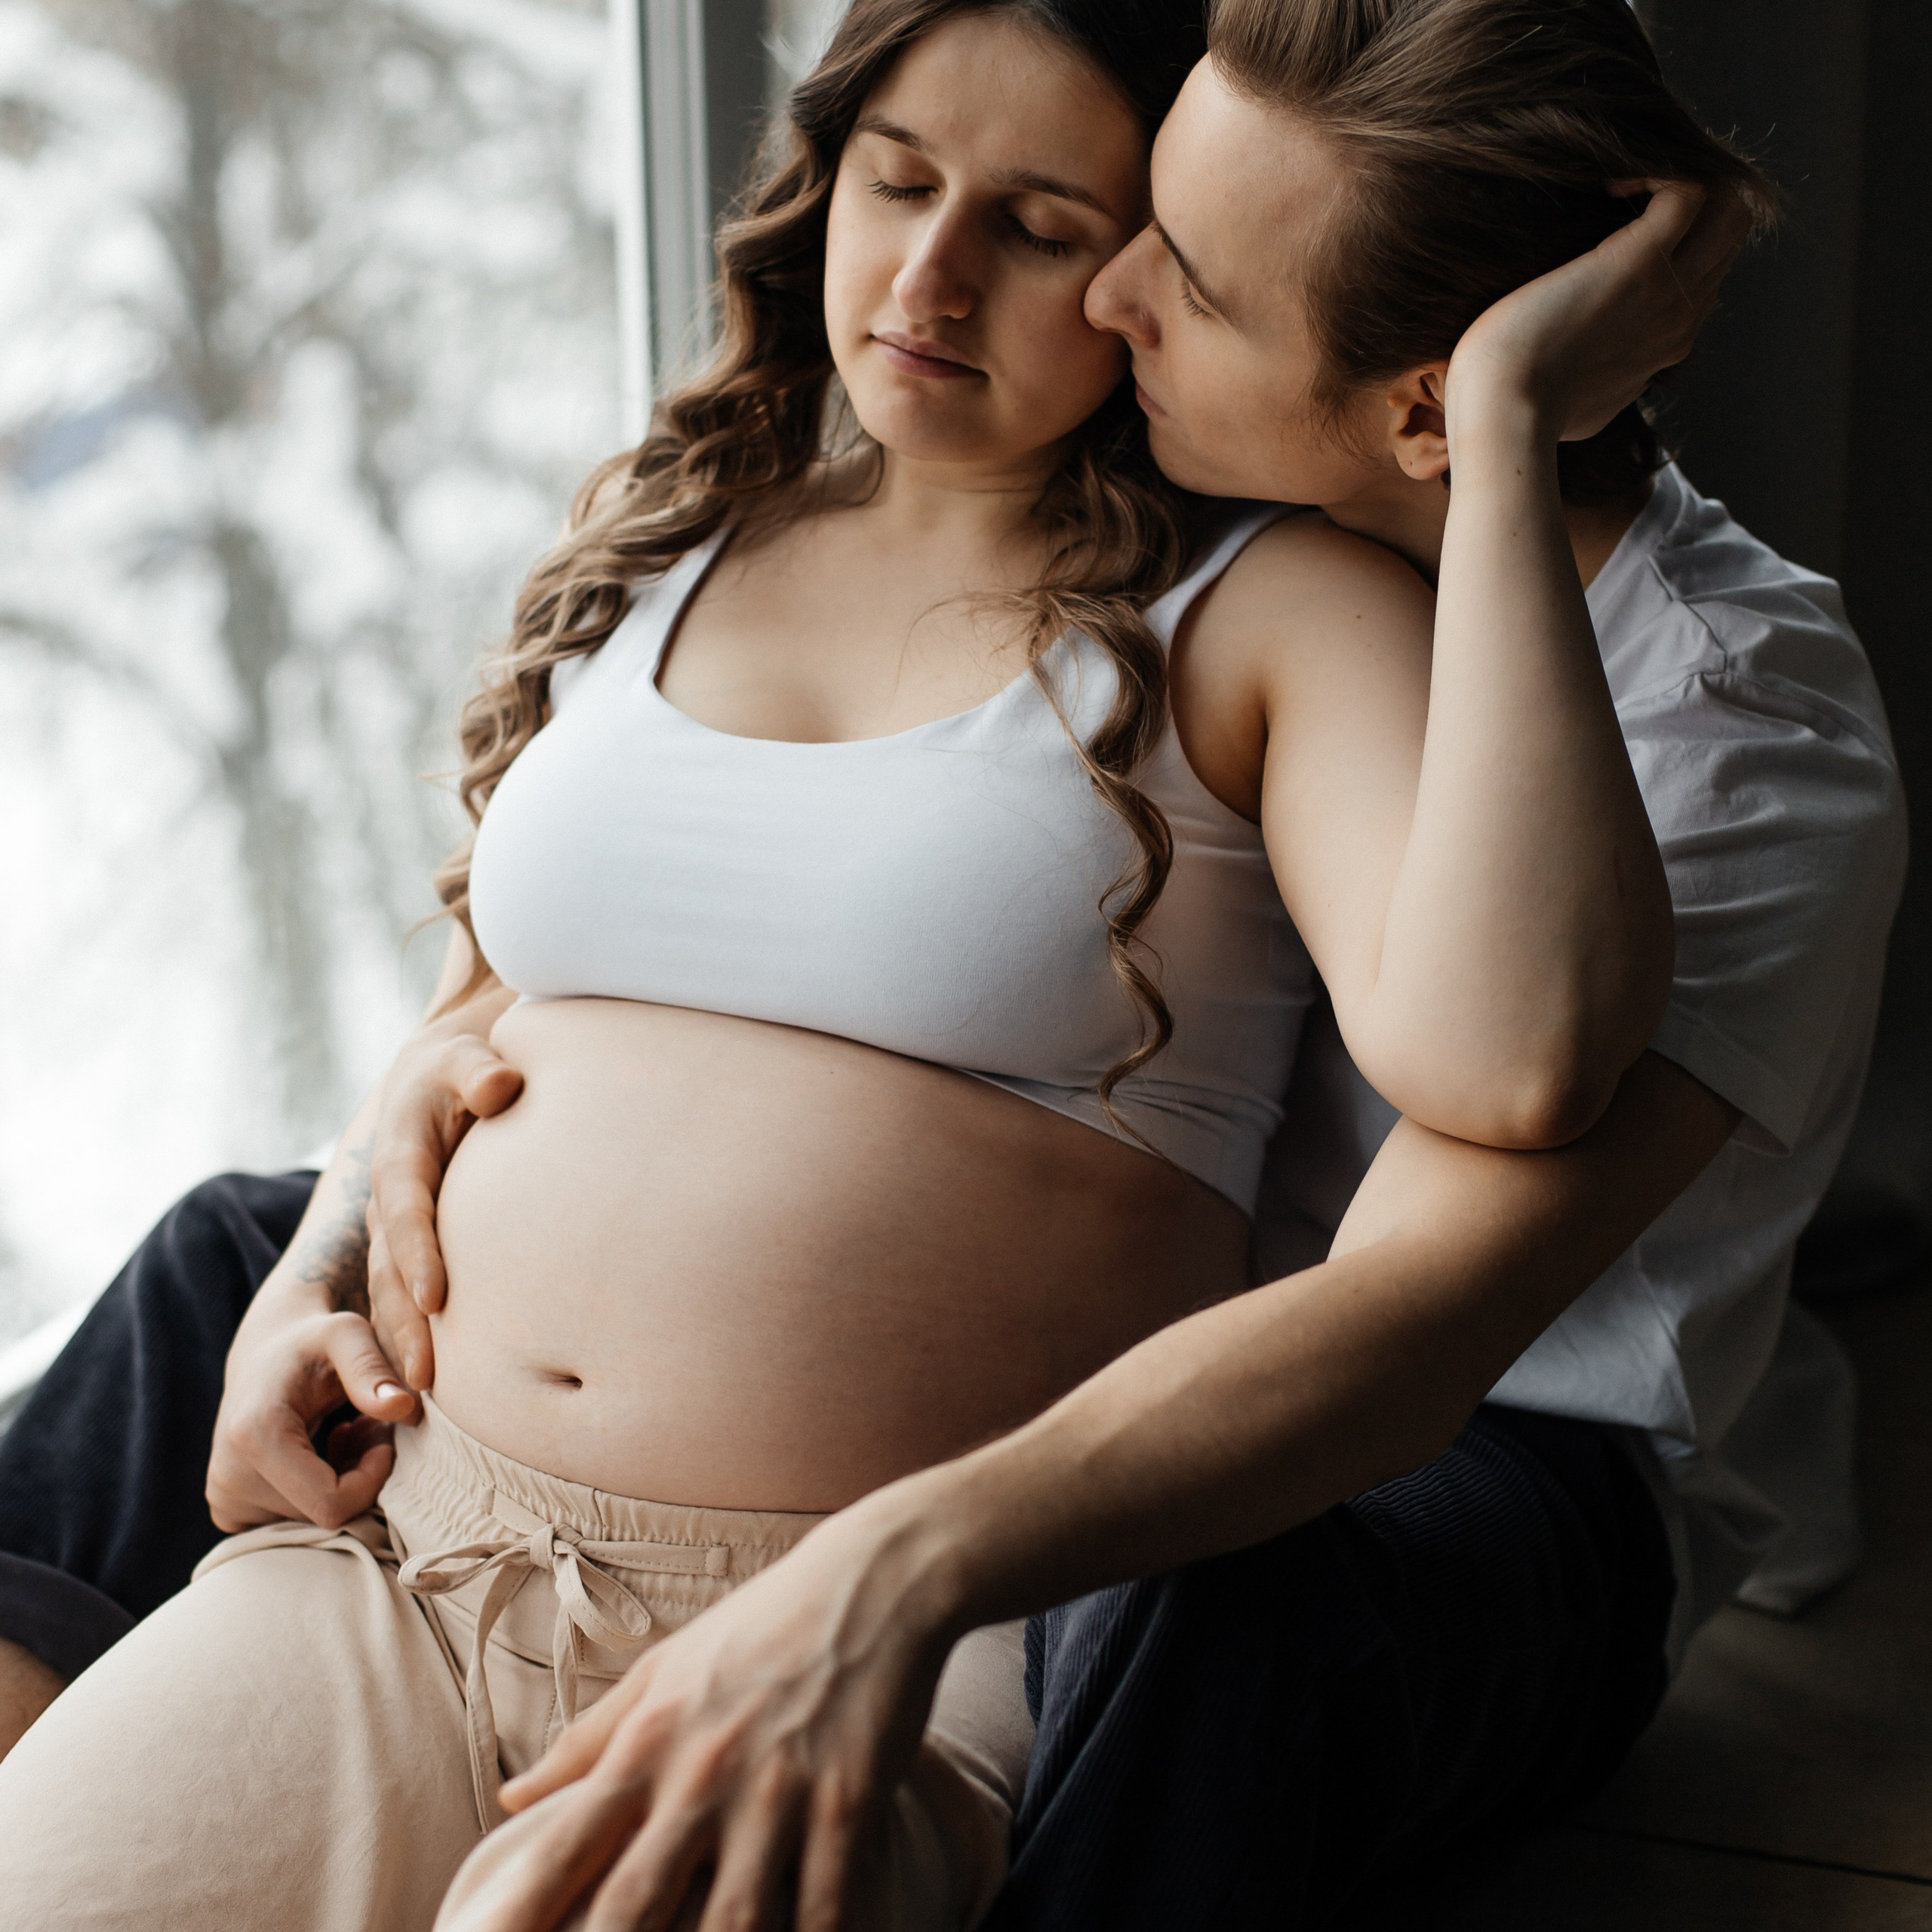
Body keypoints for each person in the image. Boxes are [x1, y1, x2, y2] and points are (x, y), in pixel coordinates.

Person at [0, 2, 1898, 1930]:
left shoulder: (1680, 714)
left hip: (1438, 1446)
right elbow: (520, 967)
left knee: (1202, 1603)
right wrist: (358, 1196)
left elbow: (1420, 1281)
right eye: (896, 180)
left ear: (1417, 405)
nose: (1116, 298)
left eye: (1116, 247)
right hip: (471, 1526)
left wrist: (876, 1577)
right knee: (209, 1266)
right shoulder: (788, 533)